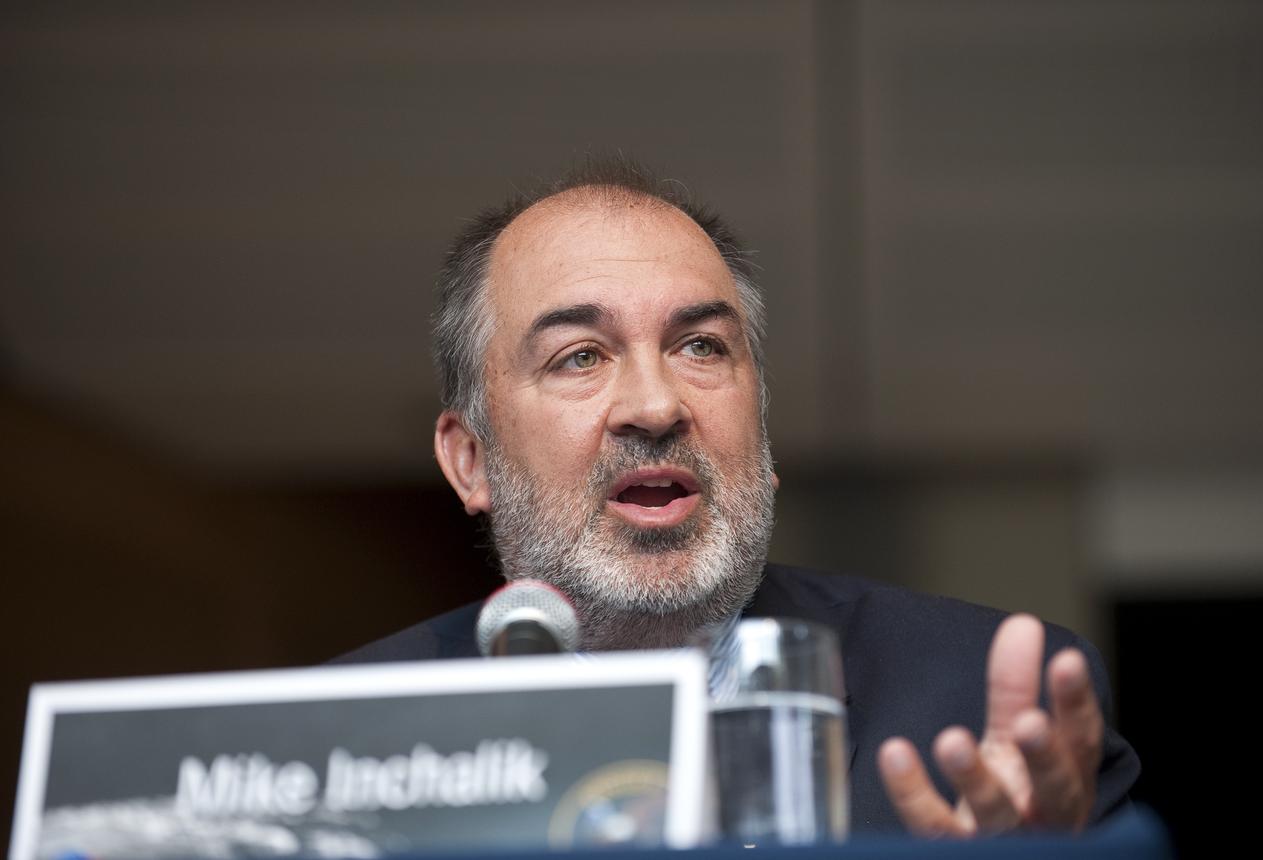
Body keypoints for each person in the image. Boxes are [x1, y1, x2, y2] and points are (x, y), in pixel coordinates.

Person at [337, 158, 1140, 835]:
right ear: (470, 460)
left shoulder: (986, 708)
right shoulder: (342, 745)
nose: (655, 406)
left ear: (760, 431)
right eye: (579, 356)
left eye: (700, 347)